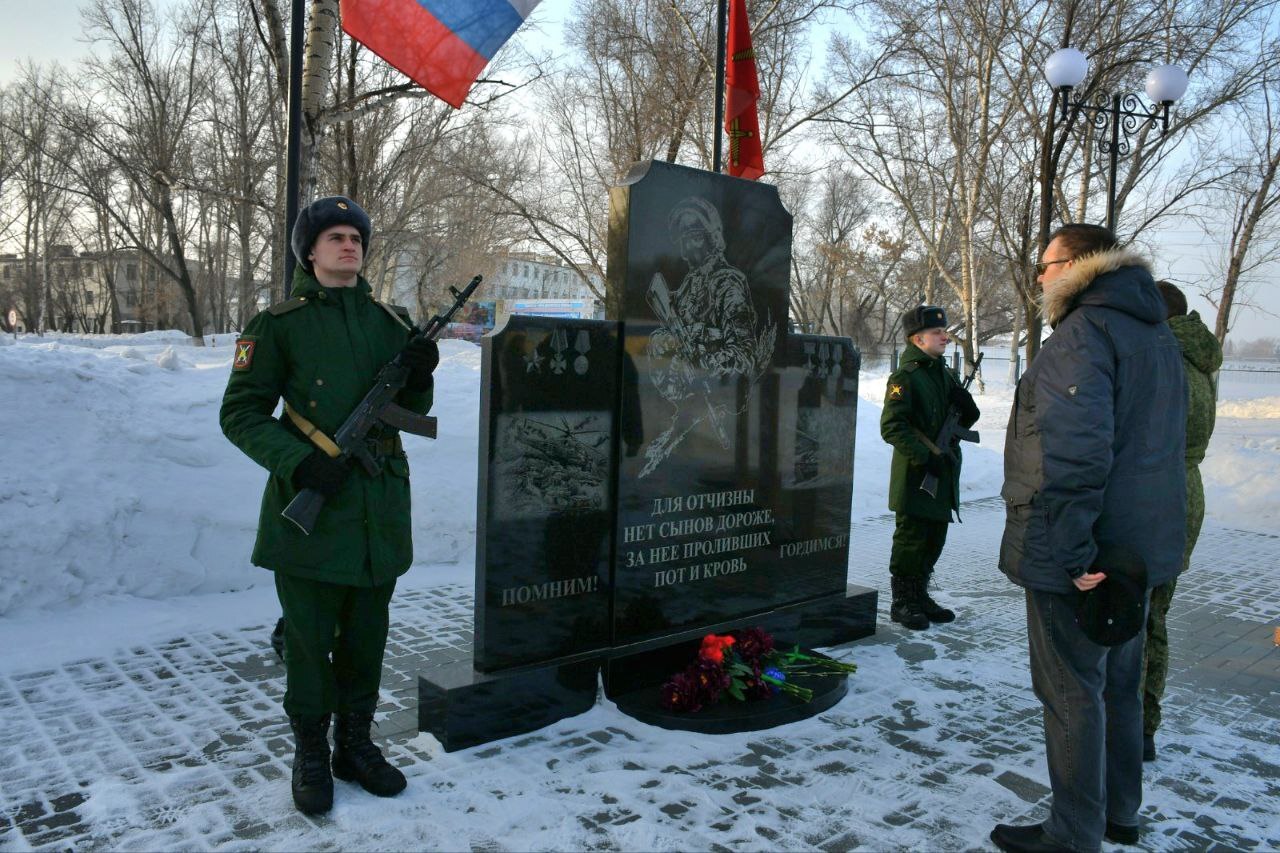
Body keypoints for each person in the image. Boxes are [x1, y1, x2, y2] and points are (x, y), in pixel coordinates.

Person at [220, 196, 439, 815]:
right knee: (311, 644)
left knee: (368, 639)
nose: (349, 246)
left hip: (378, 510)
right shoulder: (278, 325)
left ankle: (356, 745)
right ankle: (311, 750)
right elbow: (238, 414)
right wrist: (298, 460)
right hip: (314, 510)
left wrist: (421, 370)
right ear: (309, 250)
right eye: (335, 237)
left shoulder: (391, 322)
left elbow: (412, 411)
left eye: (357, 238)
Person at [991, 224, 1187, 853]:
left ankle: (1073, 832)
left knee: (1072, 691)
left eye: (1045, 265)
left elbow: (1072, 456)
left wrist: (1074, 554)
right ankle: (1118, 813)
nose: (1040, 277)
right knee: (1118, 686)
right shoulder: (1151, 331)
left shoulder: (1082, 336)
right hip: (1136, 548)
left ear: (1077, 266)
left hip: (1085, 553)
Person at [1142, 281, 1222, 762]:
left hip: (1155, 494)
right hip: (1186, 493)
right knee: (1157, 613)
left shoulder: (1162, 356)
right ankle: (1146, 721)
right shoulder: (1198, 356)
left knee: (1137, 617)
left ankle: (1134, 723)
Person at [880, 305, 979, 630]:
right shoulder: (905, 377)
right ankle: (902, 601)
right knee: (912, 537)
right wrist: (926, 456)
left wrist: (968, 411)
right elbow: (893, 427)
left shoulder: (944, 373)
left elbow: (961, 419)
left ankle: (920, 596)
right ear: (917, 338)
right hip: (916, 475)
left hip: (944, 471)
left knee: (935, 536)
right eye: (938, 332)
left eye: (944, 331)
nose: (945, 337)